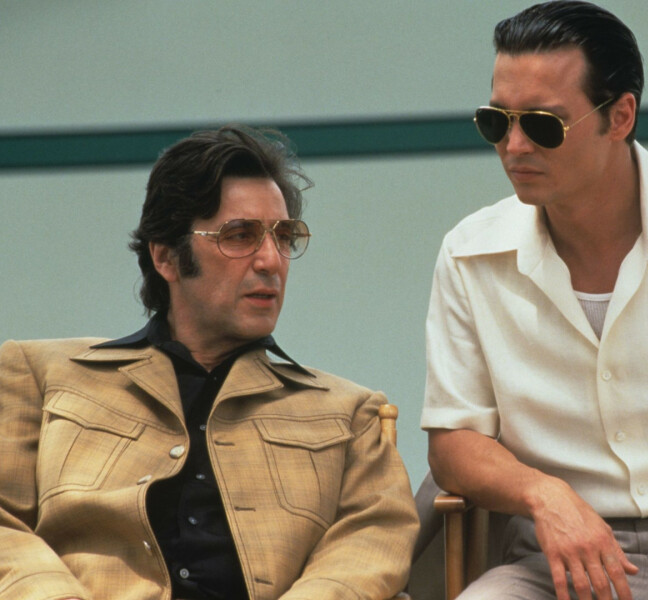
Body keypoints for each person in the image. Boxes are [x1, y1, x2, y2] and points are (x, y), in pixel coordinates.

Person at [420, 2, 648, 599]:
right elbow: (452, 441)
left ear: (620, 116)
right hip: (550, 567)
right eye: (496, 121)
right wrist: (544, 494)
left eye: (543, 124)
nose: (513, 146)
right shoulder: (470, 253)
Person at [0, 126, 418, 600]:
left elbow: (374, 539)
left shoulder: (350, 414)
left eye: (283, 237)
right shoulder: (40, 374)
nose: (271, 261)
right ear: (166, 258)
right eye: (239, 236)